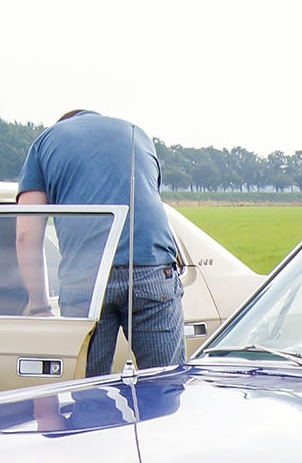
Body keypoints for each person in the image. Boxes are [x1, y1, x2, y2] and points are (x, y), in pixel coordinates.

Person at [16, 109, 183, 374]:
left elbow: (26, 235)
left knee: (87, 393)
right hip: (151, 267)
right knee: (165, 383)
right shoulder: (135, 133)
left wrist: (39, 308)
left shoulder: (44, 143)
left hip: (85, 277)